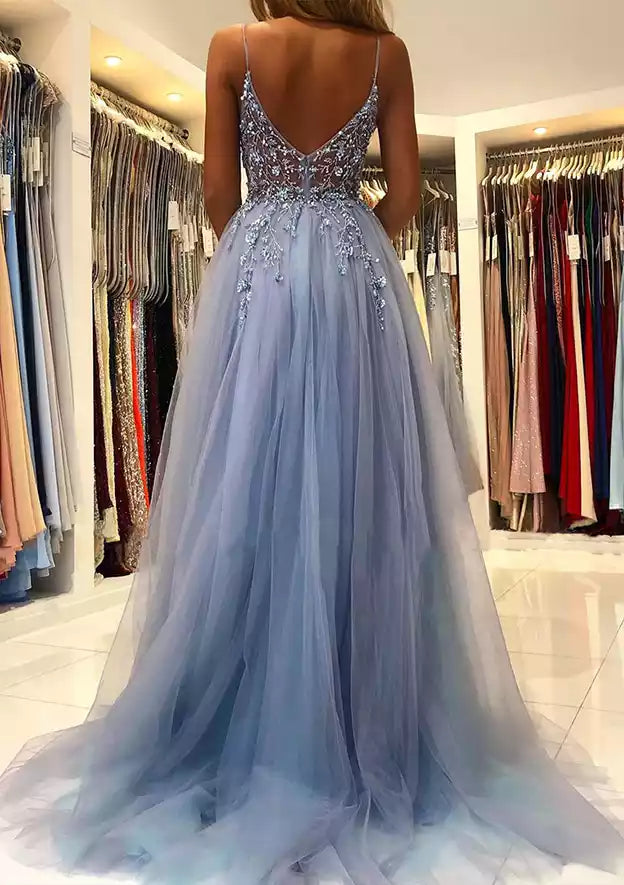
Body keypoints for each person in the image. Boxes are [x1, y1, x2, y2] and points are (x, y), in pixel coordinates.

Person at [0, 2, 622, 883]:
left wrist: (266, 250)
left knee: (246, 498)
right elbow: (403, 195)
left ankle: (249, 720)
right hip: (353, 279)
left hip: (258, 282)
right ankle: (368, 717)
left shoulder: (232, 47)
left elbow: (219, 196)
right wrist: (344, 237)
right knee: (364, 500)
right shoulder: (385, 54)